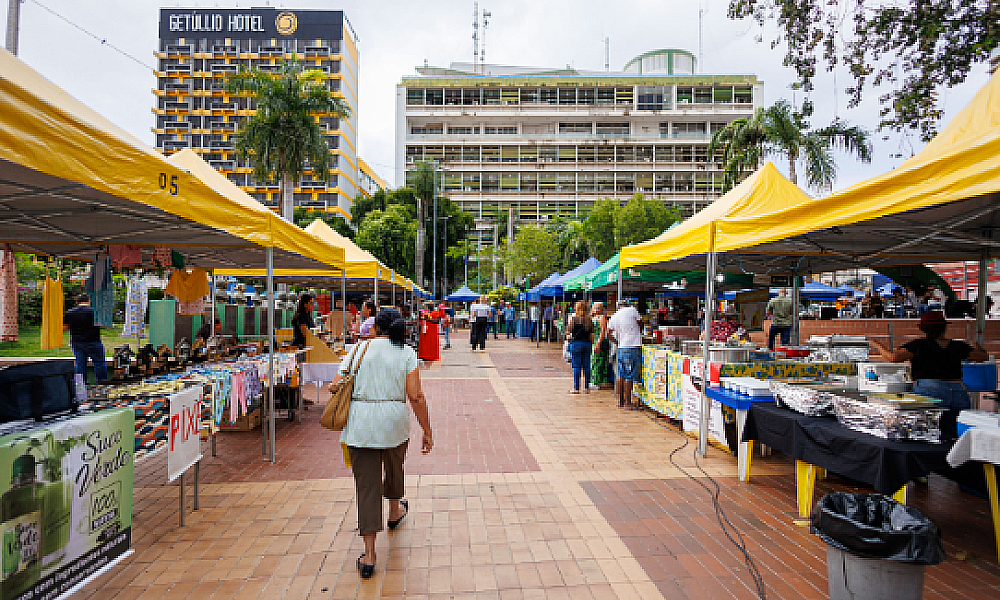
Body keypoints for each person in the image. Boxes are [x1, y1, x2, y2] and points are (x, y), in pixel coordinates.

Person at [332, 308, 433, 578]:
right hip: (393, 424)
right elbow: (416, 396)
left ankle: (370, 554)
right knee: (395, 466)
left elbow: (337, 383)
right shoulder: (406, 353)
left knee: (367, 487)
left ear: (375, 327)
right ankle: (394, 511)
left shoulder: (357, 350)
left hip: (361, 425)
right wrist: (427, 429)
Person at [869, 310, 987, 439]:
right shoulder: (957, 345)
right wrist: (976, 346)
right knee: (956, 435)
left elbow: (893, 357)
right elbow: (983, 357)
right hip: (958, 390)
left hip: (929, 389)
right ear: (944, 327)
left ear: (923, 329)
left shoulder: (919, 345)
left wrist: (878, 346)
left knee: (925, 432)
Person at [607, 300, 643, 409]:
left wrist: (617, 342)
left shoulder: (614, 316)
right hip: (632, 346)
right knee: (630, 375)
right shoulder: (632, 310)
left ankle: (621, 401)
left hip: (622, 347)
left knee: (621, 375)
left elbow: (608, 333)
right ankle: (628, 403)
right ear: (626, 305)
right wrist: (639, 333)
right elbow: (641, 323)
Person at [63, 294, 108, 382]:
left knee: (80, 364)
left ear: (77, 302)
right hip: (93, 341)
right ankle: (102, 382)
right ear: (89, 301)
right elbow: (103, 324)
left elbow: (65, 327)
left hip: (77, 342)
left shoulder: (70, 312)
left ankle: (81, 385)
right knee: (99, 363)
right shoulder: (94, 312)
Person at [565, 301, 595, 394]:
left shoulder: (574, 319)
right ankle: (586, 388)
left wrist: (569, 338)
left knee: (577, 366)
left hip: (576, 344)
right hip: (587, 344)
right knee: (587, 366)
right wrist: (592, 344)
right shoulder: (589, 320)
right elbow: (592, 335)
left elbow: (568, 333)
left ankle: (576, 388)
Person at [590, 302, 612, 390]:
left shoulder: (602, 317)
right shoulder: (593, 317)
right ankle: (595, 380)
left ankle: (596, 381)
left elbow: (603, 331)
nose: (596, 310)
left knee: (598, 361)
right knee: (594, 361)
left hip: (599, 341)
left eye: (598, 308)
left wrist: (599, 342)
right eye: (595, 308)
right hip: (594, 341)